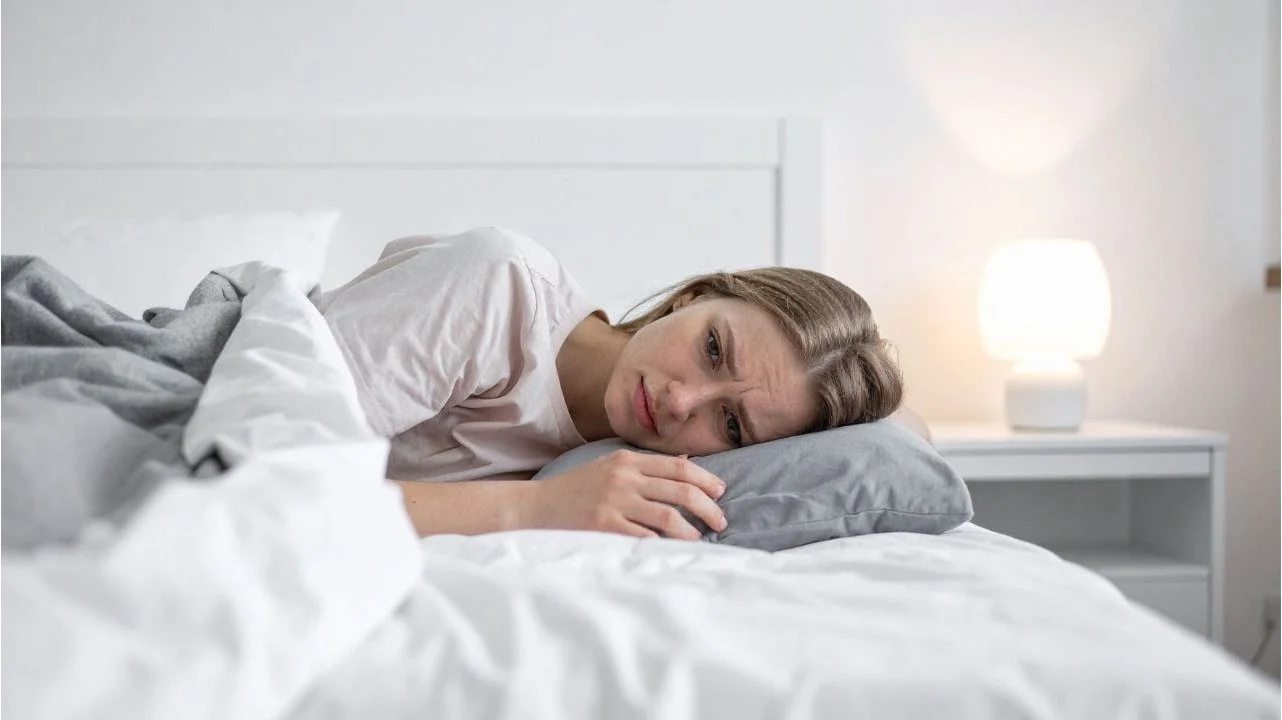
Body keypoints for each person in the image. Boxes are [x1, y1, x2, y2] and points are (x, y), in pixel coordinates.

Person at [319, 226, 918, 541]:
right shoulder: (498, 286)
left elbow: (905, 441)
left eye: (731, 424)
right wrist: (538, 506)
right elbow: (259, 481)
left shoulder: (635, 465)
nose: (680, 402)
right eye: (713, 349)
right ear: (693, 296)